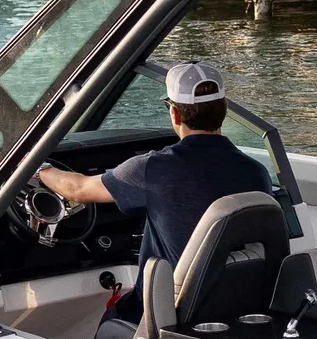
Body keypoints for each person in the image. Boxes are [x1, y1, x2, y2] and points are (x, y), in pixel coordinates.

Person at [34, 62, 273, 283]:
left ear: (175, 113)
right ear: (224, 109)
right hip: (236, 303)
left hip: (170, 309)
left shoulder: (152, 168)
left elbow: (78, 189)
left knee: (111, 324)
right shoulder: (257, 172)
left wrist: (40, 169)